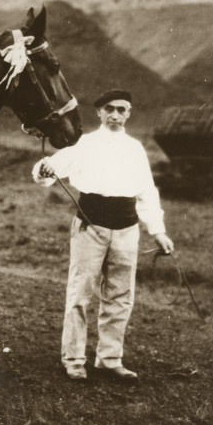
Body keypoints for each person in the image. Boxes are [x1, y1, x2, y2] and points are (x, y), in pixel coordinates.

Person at [32, 89, 172, 381]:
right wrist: (44, 169)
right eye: (110, 109)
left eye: (122, 110)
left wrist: (158, 231)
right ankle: (73, 359)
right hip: (90, 225)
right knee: (81, 292)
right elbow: (50, 169)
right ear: (99, 112)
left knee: (120, 296)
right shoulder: (85, 144)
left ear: (129, 114)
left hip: (126, 229)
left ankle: (109, 359)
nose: (115, 115)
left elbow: (147, 191)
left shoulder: (134, 148)